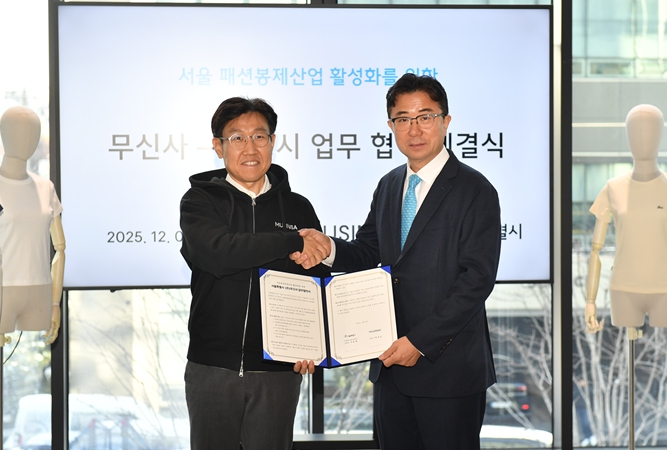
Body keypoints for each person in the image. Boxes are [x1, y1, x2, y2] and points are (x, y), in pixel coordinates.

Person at [291, 74, 502, 450]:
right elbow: (368, 250)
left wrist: (418, 342)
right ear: (391, 126)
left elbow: (476, 281)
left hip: (448, 371)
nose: (414, 129)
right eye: (403, 119)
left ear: (446, 121)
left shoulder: (475, 190)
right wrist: (330, 248)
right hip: (390, 366)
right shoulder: (389, 185)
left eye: (425, 117)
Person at [179, 96, 330, 450]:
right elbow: (219, 253)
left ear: (273, 141)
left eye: (259, 136)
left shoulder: (298, 208)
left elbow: (317, 284)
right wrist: (290, 240)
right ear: (218, 146)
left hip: (278, 370)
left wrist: (313, 344)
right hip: (212, 368)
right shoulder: (199, 201)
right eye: (237, 138)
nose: (250, 148)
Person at [586, 104, 667, 331]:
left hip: (665, 289)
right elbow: (595, 250)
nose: (642, 138)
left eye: (649, 131)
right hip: (623, 289)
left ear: (660, 135)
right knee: (628, 345)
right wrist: (590, 302)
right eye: (635, 131)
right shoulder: (613, 188)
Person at [0, 105, 65, 346]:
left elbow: (60, 249)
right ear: (4, 134)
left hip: (40, 293)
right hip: (4, 293)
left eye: (33, 131)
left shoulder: (45, 187)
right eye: (18, 130)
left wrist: (55, 304)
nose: (27, 138)